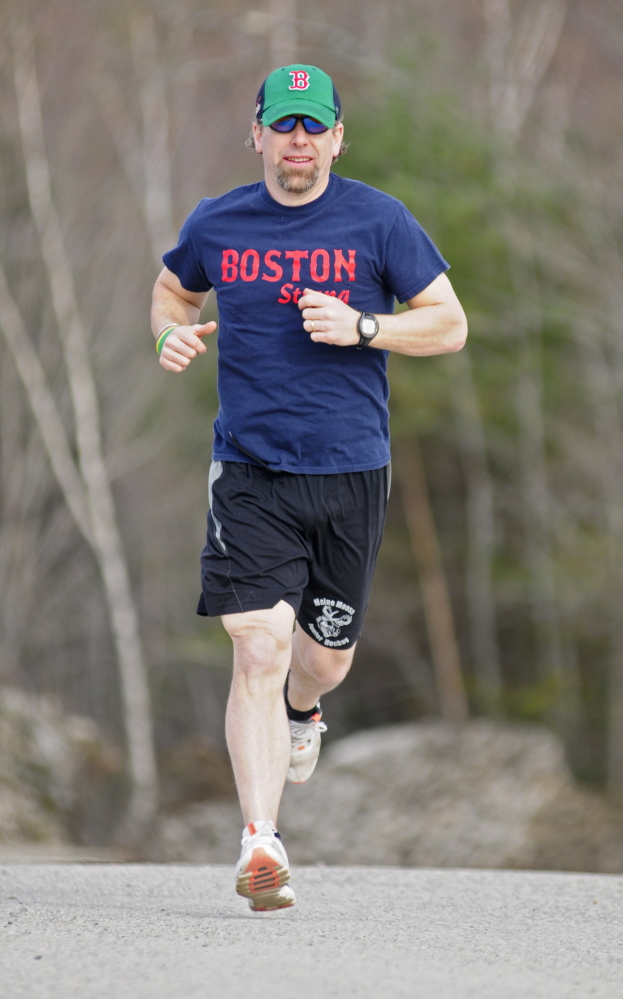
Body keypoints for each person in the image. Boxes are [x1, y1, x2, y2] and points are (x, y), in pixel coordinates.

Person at [151, 64, 467, 911]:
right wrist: (170, 336)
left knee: (322, 659)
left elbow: (450, 322)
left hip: (351, 471)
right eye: (283, 125)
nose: (298, 141)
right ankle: (261, 839)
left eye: (312, 126)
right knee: (255, 643)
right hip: (251, 470)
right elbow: (172, 289)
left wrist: (366, 326)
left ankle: (304, 707)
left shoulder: (378, 220)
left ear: (336, 137)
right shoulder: (218, 223)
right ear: (257, 133)